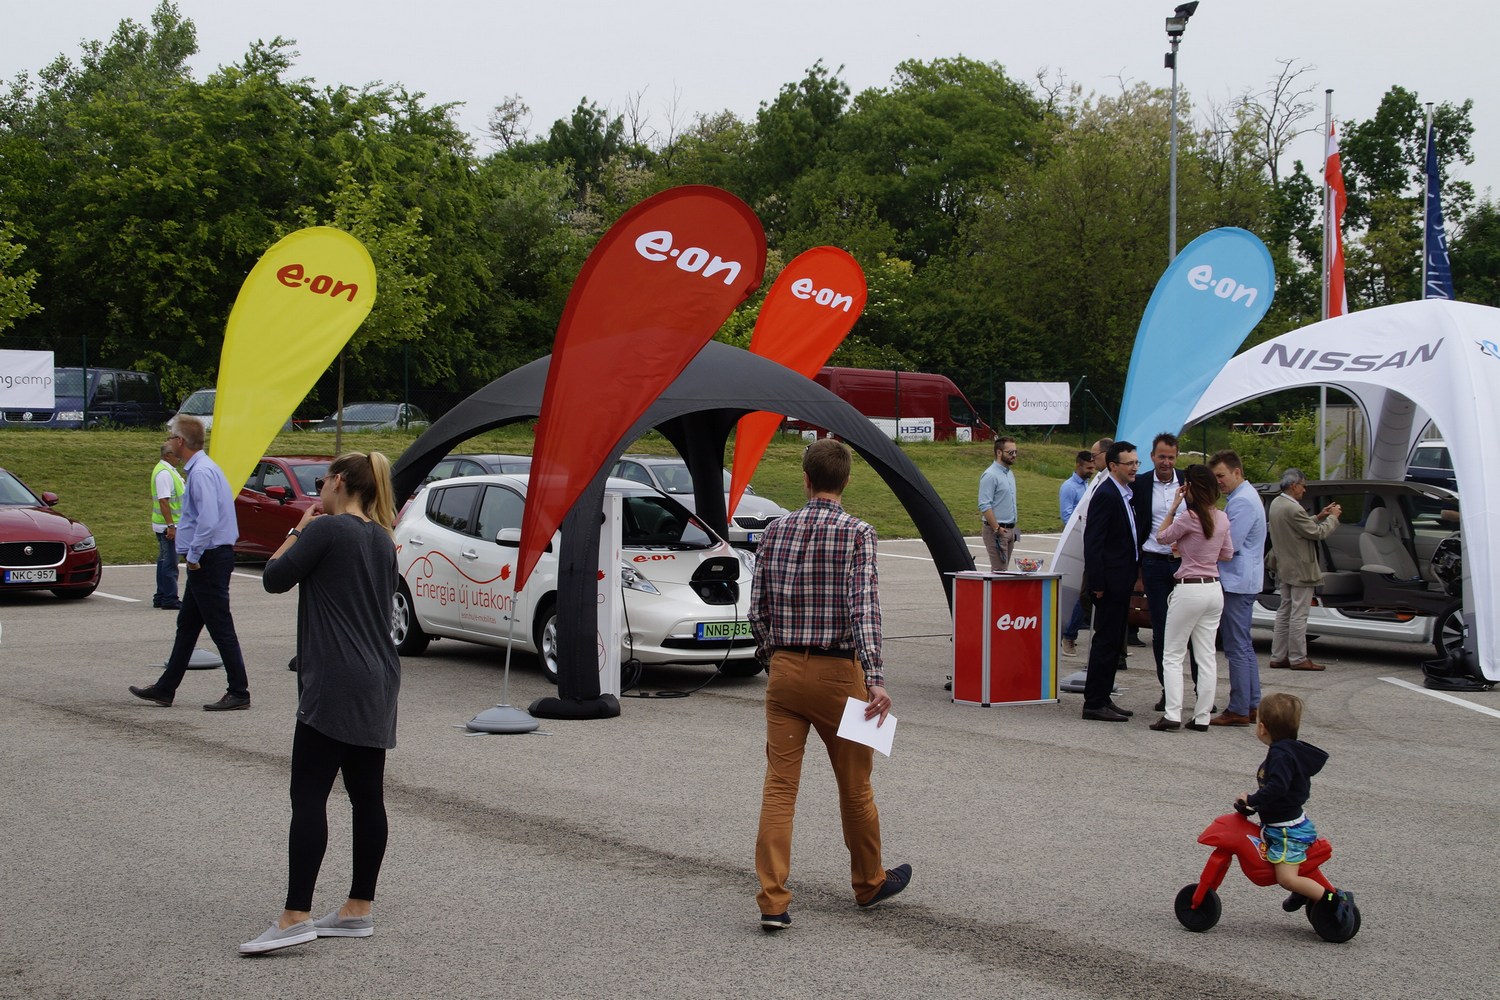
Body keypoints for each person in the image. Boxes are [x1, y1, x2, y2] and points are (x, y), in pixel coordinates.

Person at [239, 452, 401, 955]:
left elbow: (273, 577)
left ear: (337, 483)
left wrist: (297, 528)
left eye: (320, 482)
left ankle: (295, 916)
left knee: (308, 796)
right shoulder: (382, 538)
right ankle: (358, 907)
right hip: (378, 677)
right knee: (366, 797)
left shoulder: (327, 530)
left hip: (335, 679)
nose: (318, 492)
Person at [749, 438, 910, 931]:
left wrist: (772, 653)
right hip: (841, 673)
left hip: (785, 671)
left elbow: (757, 608)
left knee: (779, 790)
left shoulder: (775, 530)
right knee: (855, 788)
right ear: (845, 480)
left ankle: (773, 900)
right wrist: (876, 677)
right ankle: (868, 881)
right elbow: (864, 610)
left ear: (805, 478)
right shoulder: (858, 532)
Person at [129, 415, 251, 711]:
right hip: (207, 558)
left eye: (171, 436)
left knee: (220, 625)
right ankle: (165, 688)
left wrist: (194, 557)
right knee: (187, 625)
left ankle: (239, 691)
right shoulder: (202, 469)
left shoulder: (201, 473)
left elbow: (207, 520)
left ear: (180, 442)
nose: (167, 441)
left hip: (208, 558)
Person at [1237, 692, 1351, 912]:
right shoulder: (1286, 750)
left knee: (1286, 878)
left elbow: (1278, 788)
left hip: (1287, 832)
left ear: (1262, 728)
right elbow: (1282, 789)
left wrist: (1251, 799)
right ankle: (1303, 890)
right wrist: (1257, 804)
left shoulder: (1281, 755)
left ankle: (1335, 901)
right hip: (1282, 824)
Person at [1148, 464, 1233, 732]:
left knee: (1172, 654)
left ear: (1191, 488)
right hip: (1213, 588)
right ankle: (1202, 715)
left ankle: (1172, 713)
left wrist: (1173, 508)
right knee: (1206, 655)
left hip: (1189, 587)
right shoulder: (1221, 518)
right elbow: (1228, 553)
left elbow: (1161, 537)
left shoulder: (1187, 518)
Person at [1080, 441, 1141, 722]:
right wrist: (1098, 583)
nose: (1134, 468)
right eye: (1129, 463)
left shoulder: (1124, 493)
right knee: (1105, 641)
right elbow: (1093, 543)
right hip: (1109, 582)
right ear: (1114, 465)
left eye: (1136, 463)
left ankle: (1103, 697)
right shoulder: (1106, 494)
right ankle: (1094, 701)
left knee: (1114, 641)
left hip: (1122, 578)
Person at [1210, 451, 1268, 726]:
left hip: (1237, 582)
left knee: (1236, 646)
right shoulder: (1242, 497)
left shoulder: (1243, 501)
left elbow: (1228, 545)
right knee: (1241, 645)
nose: (1218, 482)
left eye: (1221, 476)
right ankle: (1251, 703)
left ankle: (1239, 707)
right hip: (1241, 580)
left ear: (1236, 472)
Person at [1132, 433, 1190, 703]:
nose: (1166, 462)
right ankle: (1168, 691)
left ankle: (1201, 692)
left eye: (1171, 457)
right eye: (1162, 456)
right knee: (1162, 630)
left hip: (1184, 564)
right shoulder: (1141, 484)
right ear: (1153, 456)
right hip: (1154, 562)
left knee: (1192, 630)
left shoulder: (1189, 484)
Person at [1266, 470, 1340, 671]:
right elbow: (1317, 533)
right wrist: (1332, 518)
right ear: (1293, 485)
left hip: (1284, 566)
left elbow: (1299, 528)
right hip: (1301, 568)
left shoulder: (1276, 504)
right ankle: (1298, 658)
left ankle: (1278, 655)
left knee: (1284, 612)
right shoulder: (1293, 508)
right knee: (1299, 614)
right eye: (1303, 485)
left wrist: (1318, 516)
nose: (1304, 489)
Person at [1059, 450, 1094, 656]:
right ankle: (1069, 636)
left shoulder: (1087, 486)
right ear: (1078, 465)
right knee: (1084, 592)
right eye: (1088, 468)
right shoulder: (1069, 487)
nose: (1091, 471)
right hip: (1078, 542)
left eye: (1092, 468)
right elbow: (1067, 517)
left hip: (1088, 542)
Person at [150, 441, 185, 610]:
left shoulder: (167, 470)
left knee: (164, 560)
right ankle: (170, 598)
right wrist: (171, 525)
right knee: (170, 563)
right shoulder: (164, 473)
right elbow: (164, 501)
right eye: (176, 454)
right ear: (167, 455)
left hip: (167, 524)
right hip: (168, 526)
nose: (179, 457)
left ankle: (161, 595)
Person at [979, 436, 1019, 572]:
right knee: (999, 571)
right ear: (999, 453)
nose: (1014, 455)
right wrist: (997, 528)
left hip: (1010, 530)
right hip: (997, 531)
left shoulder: (1009, 473)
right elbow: (985, 505)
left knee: (1003, 571)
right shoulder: (990, 475)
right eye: (1010, 452)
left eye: (1015, 452)